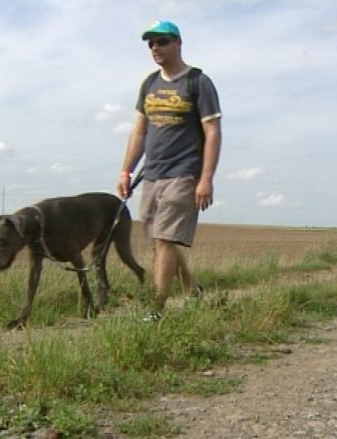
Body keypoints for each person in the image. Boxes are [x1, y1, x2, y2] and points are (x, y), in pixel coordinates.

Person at [117, 20, 222, 321]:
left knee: (164, 241)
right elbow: (139, 133)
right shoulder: (149, 83)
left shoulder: (198, 82)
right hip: (152, 175)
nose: (155, 48)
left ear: (178, 43)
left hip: (184, 173)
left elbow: (212, 131)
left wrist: (206, 179)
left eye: (161, 41)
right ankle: (192, 290)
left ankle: (156, 310)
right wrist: (126, 171)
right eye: (150, 44)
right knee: (160, 242)